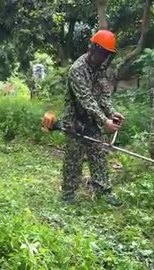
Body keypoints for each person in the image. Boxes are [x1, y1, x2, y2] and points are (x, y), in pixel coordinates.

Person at [61, 29, 125, 205]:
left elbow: (104, 95)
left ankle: (103, 192)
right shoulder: (77, 70)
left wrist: (111, 112)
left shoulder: (102, 69)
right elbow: (86, 100)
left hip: (93, 120)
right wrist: (104, 121)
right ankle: (68, 194)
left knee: (98, 154)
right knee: (73, 158)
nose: (103, 57)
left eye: (107, 54)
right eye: (101, 53)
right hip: (75, 120)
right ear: (92, 48)